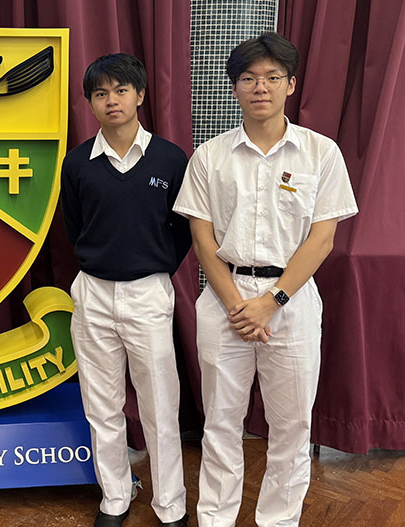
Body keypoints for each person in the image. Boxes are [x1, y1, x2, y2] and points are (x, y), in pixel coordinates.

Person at [172, 32, 358, 527]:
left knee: (292, 426)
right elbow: (202, 239)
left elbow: (322, 239)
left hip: (291, 303)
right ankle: (215, 519)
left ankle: (278, 521)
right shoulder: (209, 157)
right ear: (234, 87)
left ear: (290, 84)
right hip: (225, 301)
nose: (261, 87)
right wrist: (239, 305)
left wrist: (271, 301)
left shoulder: (321, 153)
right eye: (249, 78)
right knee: (220, 424)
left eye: (273, 77)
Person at [61, 53, 192, 527]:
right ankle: (114, 497)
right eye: (101, 93)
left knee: (160, 406)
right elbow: (74, 227)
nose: (111, 100)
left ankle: (170, 504)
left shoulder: (170, 159)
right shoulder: (78, 163)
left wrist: (152, 267)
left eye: (121, 90)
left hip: (148, 293)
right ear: (91, 103)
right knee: (101, 405)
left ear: (140, 95)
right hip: (93, 293)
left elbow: (183, 230)